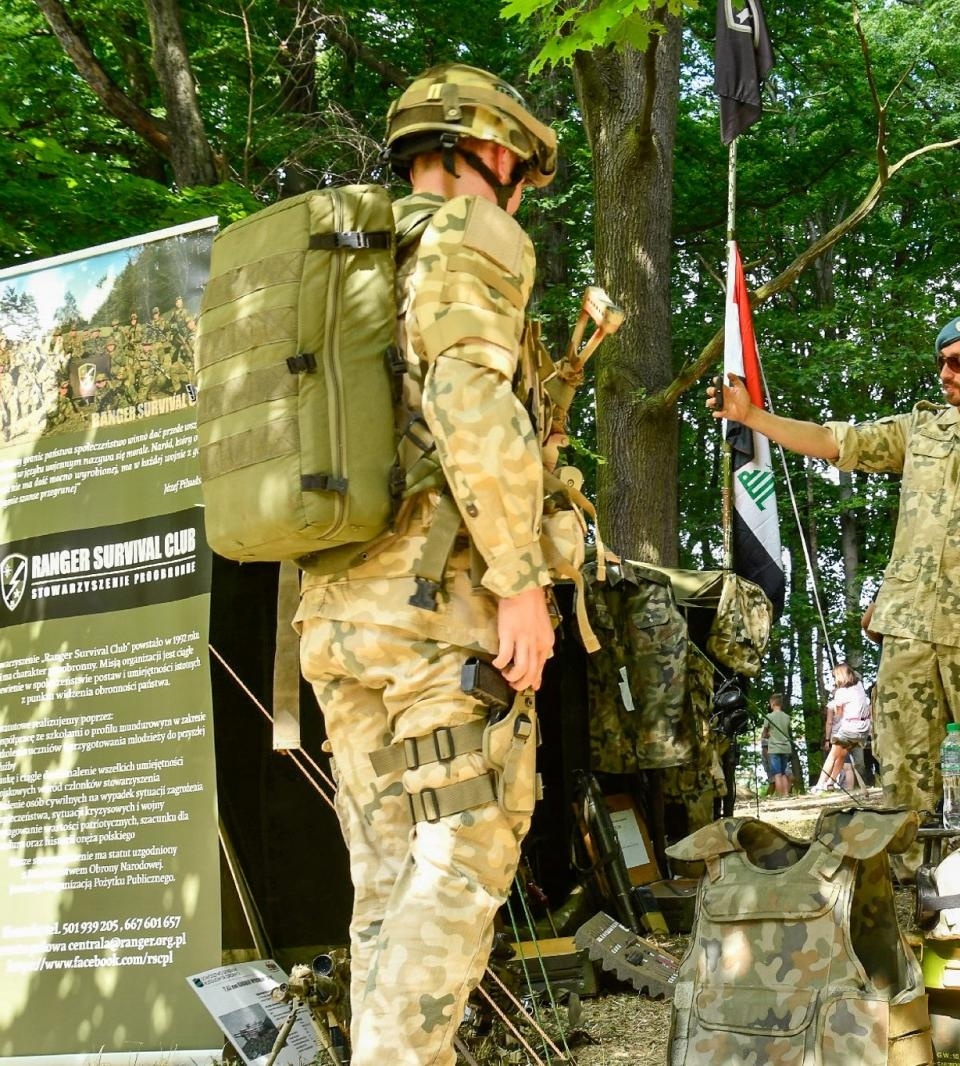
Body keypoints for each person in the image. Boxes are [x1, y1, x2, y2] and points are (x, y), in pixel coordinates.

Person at [293, 64, 560, 1066]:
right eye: (521, 168)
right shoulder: (471, 233)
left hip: (336, 622)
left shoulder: (351, 259)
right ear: (491, 150)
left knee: (386, 878)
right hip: (434, 619)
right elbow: (467, 401)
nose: (521, 189)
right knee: (461, 863)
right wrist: (519, 578)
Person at [708, 314, 960, 832]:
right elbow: (836, 442)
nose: (945, 372)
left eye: (957, 362)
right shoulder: (921, 428)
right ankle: (907, 874)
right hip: (907, 626)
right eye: (940, 361)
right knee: (904, 760)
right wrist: (755, 417)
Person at [818, 662, 872, 790]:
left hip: (850, 728)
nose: (834, 679)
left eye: (835, 677)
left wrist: (837, 701)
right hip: (863, 728)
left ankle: (820, 784)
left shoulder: (841, 692)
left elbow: (839, 713)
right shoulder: (859, 686)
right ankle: (830, 783)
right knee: (842, 754)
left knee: (832, 755)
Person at [760, 694, 795, 796]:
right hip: (785, 748)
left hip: (774, 748)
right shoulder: (787, 717)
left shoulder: (769, 717)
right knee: (784, 773)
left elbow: (764, 734)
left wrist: (768, 734)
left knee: (777, 774)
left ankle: (780, 795)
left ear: (773, 703)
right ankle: (786, 794)